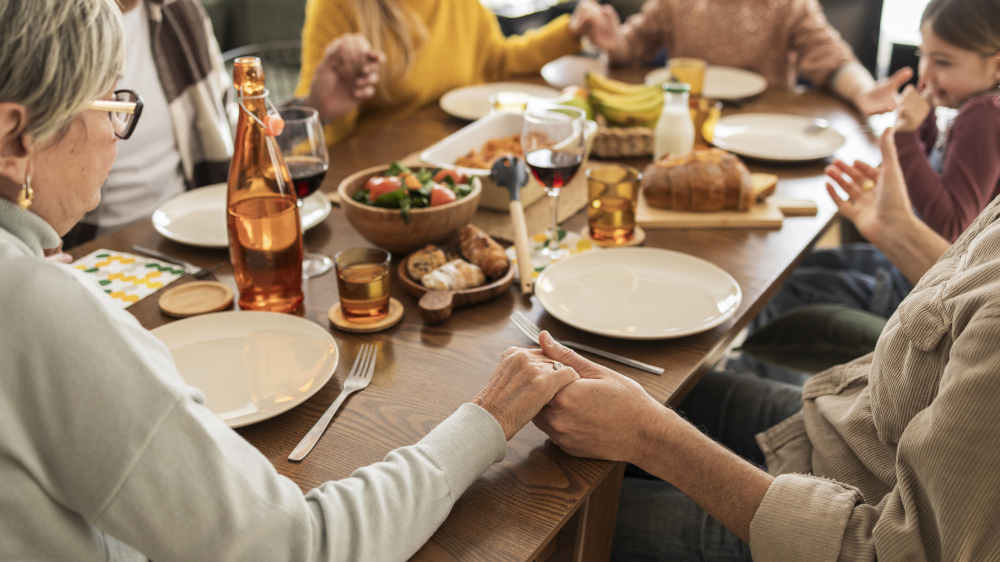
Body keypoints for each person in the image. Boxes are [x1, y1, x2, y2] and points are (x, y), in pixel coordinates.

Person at [0, 2, 580, 559]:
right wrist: (487, 420)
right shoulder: (34, 306)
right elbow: (297, 545)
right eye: (109, 105)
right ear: (15, 138)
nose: (114, 133)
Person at [532, 126, 1000, 560]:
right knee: (658, 391)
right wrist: (900, 232)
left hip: (832, 531)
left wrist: (649, 437)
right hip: (843, 424)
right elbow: (970, 305)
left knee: (547, 524)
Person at [736, 0, 1000, 377]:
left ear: (996, 65)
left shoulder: (984, 116)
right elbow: (936, 190)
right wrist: (922, 128)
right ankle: (752, 371)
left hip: (916, 288)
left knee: (784, 292)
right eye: (924, 56)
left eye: (944, 62)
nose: (927, 73)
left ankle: (758, 383)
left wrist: (906, 137)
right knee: (788, 271)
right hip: (903, 268)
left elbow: (951, 228)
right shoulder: (976, 110)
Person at [60, 0, 381, 249]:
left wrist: (313, 107)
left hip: (196, 243)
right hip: (98, 255)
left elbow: (227, 138)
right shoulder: (46, 38)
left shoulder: (176, 11)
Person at [295, 0, 618, 145]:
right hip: (374, 175)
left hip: (461, 150)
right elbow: (305, 127)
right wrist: (320, 108)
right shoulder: (335, 5)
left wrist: (571, 32)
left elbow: (498, 59)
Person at [584, 0, 912, 116]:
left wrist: (863, 90)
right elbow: (633, 47)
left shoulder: (788, 5)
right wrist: (613, 42)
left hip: (762, 127)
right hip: (687, 120)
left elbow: (833, 61)